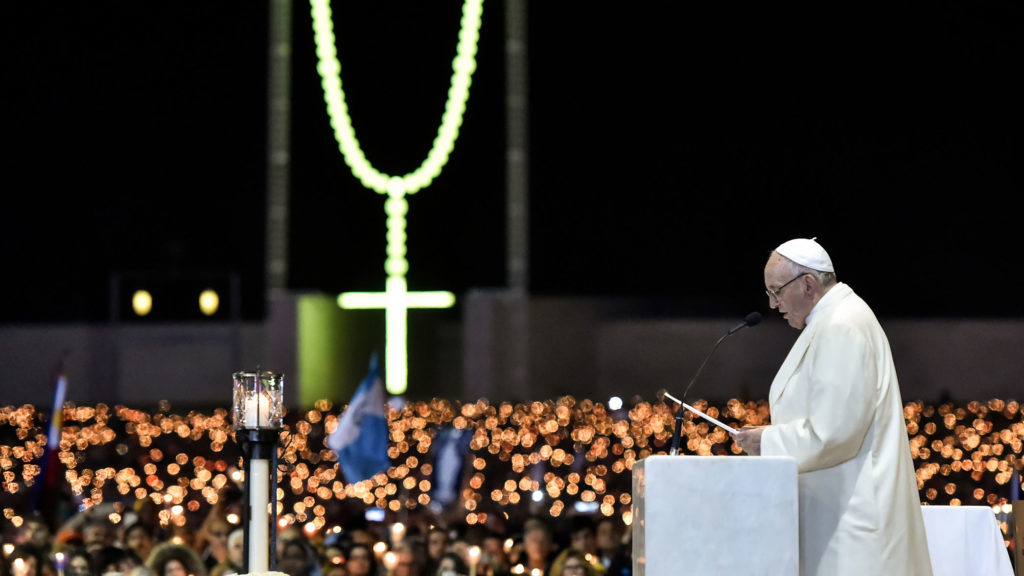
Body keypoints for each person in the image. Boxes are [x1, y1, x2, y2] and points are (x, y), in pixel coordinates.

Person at [733, 237, 932, 576]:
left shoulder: (842, 325)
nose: (771, 303)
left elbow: (834, 433)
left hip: (854, 524)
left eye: (776, 291)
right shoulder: (835, 319)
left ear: (808, 284)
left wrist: (765, 441)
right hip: (840, 515)